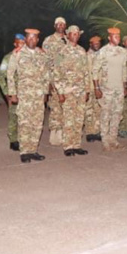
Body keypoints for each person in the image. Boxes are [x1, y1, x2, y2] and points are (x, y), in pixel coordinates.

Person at [7, 28, 50, 162]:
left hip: (38, 95)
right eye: (29, 38)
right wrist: (12, 93)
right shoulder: (18, 54)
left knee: (37, 123)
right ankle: (25, 151)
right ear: (25, 39)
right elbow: (10, 74)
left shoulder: (42, 54)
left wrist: (45, 92)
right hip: (24, 95)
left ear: (38, 40)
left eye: (34, 38)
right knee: (25, 123)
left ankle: (33, 150)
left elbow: (46, 75)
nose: (31, 40)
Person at [53, 25, 90, 156]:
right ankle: (68, 146)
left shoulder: (82, 51)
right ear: (67, 35)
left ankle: (76, 144)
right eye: (72, 33)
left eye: (77, 34)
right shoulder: (61, 52)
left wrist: (87, 90)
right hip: (68, 91)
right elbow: (56, 73)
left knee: (79, 118)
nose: (75, 35)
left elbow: (86, 72)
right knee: (68, 119)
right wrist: (61, 92)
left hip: (80, 91)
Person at [93, 28, 127, 151]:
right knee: (106, 114)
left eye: (118, 36)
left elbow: (124, 69)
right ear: (109, 38)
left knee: (117, 114)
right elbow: (95, 70)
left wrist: (124, 86)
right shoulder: (103, 51)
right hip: (106, 88)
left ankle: (113, 139)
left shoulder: (123, 51)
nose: (117, 38)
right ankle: (105, 141)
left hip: (119, 88)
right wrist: (96, 87)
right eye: (114, 36)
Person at [43, 16, 68, 146]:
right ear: (54, 26)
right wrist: (49, 81)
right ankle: (55, 135)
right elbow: (46, 62)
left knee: (67, 107)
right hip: (54, 78)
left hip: (68, 79)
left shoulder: (68, 39)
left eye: (62, 24)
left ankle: (65, 133)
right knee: (56, 107)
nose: (60, 26)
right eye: (58, 24)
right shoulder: (49, 40)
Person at [0, 34, 25, 151]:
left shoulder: (28, 57)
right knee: (13, 116)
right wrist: (7, 93)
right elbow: (0, 76)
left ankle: (24, 138)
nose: (21, 45)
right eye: (19, 43)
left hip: (27, 93)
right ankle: (13, 140)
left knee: (25, 117)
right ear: (15, 44)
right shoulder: (8, 58)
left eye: (23, 43)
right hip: (13, 93)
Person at [84, 36, 103, 142]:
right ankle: (89, 132)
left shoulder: (102, 56)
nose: (96, 45)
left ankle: (97, 131)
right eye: (94, 44)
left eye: (98, 43)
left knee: (98, 110)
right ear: (90, 44)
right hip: (90, 87)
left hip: (100, 87)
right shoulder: (86, 56)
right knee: (88, 111)